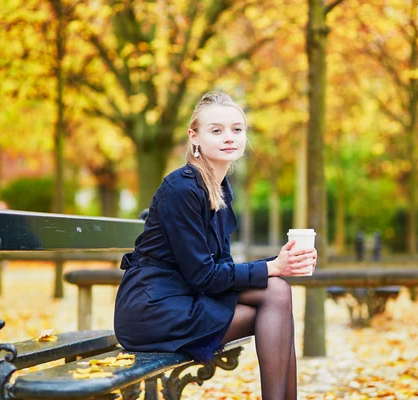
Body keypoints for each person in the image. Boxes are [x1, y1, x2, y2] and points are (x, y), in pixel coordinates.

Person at [114, 92, 317, 399]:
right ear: (194, 137)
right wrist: (271, 268)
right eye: (216, 130)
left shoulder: (218, 189)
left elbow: (220, 269)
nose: (229, 137)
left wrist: (283, 262)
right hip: (153, 312)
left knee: (278, 290)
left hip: (185, 297)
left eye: (237, 129)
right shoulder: (181, 188)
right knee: (276, 295)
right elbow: (203, 276)